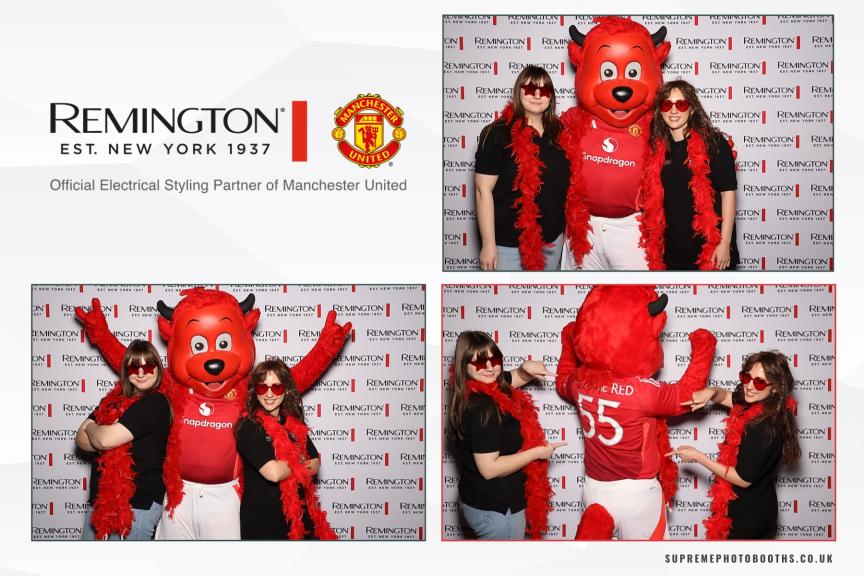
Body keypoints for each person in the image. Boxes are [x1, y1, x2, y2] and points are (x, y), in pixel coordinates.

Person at [668, 351, 801, 539]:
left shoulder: (763, 426)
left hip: (749, 518)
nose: (750, 386)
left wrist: (697, 457)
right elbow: (725, 397)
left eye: (760, 382)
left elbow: (742, 479)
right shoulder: (759, 405)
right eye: (746, 377)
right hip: (753, 506)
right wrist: (711, 392)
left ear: (774, 388)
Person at [447, 331, 565, 539]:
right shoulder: (483, 409)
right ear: (464, 366)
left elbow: (511, 379)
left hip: (478, 501)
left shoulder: (476, 389)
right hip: (498, 512)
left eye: (494, 359)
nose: (490, 367)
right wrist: (537, 453)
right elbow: (489, 469)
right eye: (480, 362)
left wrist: (524, 369)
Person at [475, 65, 569, 271]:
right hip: (509, 247)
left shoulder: (559, 132)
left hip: (552, 242)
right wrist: (488, 245)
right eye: (530, 88)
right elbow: (483, 191)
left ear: (551, 96)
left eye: (544, 90)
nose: (537, 95)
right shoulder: (497, 133)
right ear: (519, 91)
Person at [75, 340, 171, 540]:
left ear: (157, 368)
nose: (141, 373)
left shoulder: (156, 403)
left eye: (148, 366)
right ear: (127, 371)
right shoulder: (111, 401)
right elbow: (80, 440)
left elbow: (104, 441)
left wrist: (91, 427)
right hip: (99, 505)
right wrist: (99, 433)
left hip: (135, 509)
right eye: (134, 367)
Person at [235, 359, 335, 540]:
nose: (269, 394)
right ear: (254, 391)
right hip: (264, 525)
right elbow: (273, 473)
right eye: (262, 387)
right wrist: (301, 460)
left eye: (277, 387)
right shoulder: (248, 426)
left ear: (286, 390)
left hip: (302, 522)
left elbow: (315, 463)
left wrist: (290, 465)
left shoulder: (293, 423)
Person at [645, 79, 738, 270]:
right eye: (667, 104)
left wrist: (724, 243)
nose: (673, 110)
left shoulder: (713, 143)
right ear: (660, 110)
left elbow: (727, 193)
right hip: (672, 253)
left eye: (681, 104)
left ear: (692, 109)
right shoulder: (657, 149)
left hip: (710, 250)